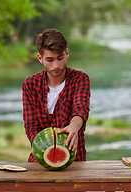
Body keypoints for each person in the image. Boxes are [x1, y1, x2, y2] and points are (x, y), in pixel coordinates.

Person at [22, 28, 91, 162]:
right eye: (50, 60)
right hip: (40, 160)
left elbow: (81, 110)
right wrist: (47, 151)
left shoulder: (80, 79)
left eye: (60, 58)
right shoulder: (30, 84)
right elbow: (31, 126)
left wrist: (74, 126)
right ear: (40, 58)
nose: (56, 65)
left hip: (74, 160)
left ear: (67, 53)